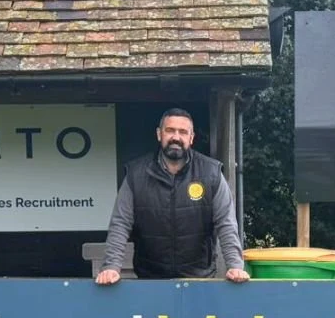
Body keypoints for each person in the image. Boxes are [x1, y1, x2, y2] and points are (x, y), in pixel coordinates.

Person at [95, 108, 249, 284]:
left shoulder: (211, 173)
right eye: (170, 130)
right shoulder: (135, 174)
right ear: (159, 134)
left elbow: (226, 223)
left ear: (191, 138)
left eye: (183, 132)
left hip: (199, 280)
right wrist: (111, 267)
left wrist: (235, 266)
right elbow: (120, 223)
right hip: (150, 280)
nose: (176, 137)